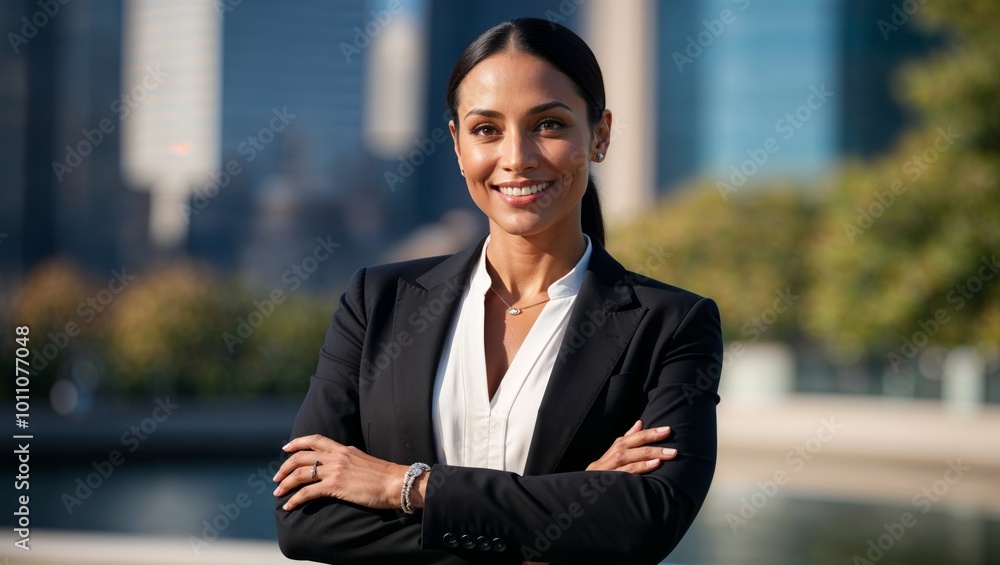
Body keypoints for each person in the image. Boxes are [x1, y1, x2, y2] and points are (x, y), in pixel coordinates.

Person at [273, 17, 723, 565]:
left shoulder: (671, 324)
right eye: (487, 129)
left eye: (550, 125)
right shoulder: (378, 301)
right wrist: (560, 518)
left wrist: (406, 486)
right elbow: (304, 521)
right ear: (458, 145)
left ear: (599, 135)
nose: (517, 157)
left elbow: (645, 519)